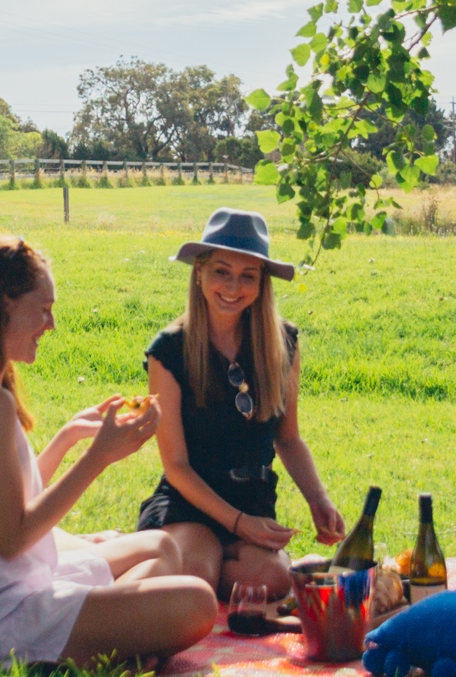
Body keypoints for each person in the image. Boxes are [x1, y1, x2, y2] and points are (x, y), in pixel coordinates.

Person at [0, 234, 217, 665]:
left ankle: (106, 635)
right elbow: (10, 537)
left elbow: (3, 499)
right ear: (4, 305)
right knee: (198, 602)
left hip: (4, 593)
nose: (50, 324)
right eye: (44, 309)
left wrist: (69, 436)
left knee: (161, 548)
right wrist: (97, 458)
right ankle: (104, 642)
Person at [134, 207, 350, 608]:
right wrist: (236, 525)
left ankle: (175, 559)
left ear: (262, 283)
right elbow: (175, 466)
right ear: (199, 272)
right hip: (190, 501)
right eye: (221, 271)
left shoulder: (283, 343)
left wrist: (318, 500)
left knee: (270, 580)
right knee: (197, 573)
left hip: (252, 497)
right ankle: (162, 553)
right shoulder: (169, 349)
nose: (232, 286)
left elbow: (289, 439)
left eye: (247, 276)